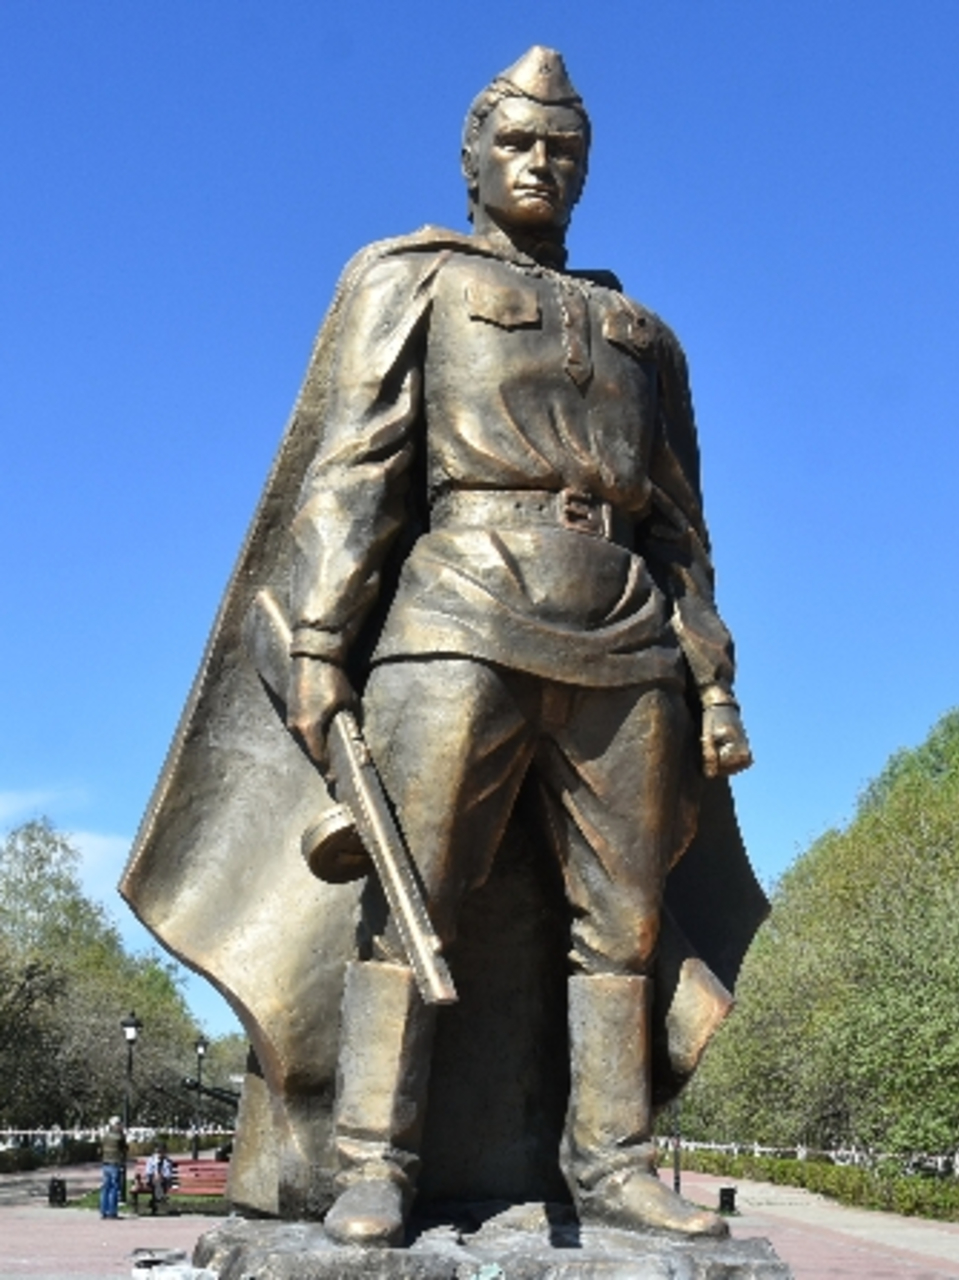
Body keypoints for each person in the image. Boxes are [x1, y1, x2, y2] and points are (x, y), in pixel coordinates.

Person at [122, 45, 768, 1248]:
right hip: (457, 607)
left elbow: (684, 530)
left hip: (623, 636)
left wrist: (712, 671)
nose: (540, 164)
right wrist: (319, 641)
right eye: (518, 144)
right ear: (471, 155)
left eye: (563, 150)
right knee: (410, 893)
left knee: (622, 923)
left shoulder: (643, 335)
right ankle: (376, 1160)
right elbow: (356, 469)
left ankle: (614, 1160)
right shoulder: (411, 278)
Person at [99, 1118, 124, 1220]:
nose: (120, 1126)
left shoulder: (105, 1136)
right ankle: (112, 1212)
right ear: (116, 1125)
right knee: (114, 1188)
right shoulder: (119, 1136)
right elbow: (124, 1148)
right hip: (115, 1164)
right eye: (119, 1124)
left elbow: (101, 1148)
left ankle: (103, 1211)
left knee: (105, 1188)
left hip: (105, 1164)